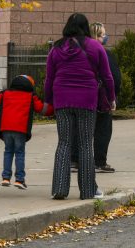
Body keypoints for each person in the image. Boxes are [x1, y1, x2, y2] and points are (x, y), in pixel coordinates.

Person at [46, 13, 115, 200]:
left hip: (62, 100)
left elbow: (49, 77)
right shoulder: (94, 46)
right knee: (85, 145)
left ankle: (59, 189)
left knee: (64, 143)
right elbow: (107, 76)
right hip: (86, 100)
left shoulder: (57, 48)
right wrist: (111, 98)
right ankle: (88, 190)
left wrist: (48, 99)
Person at [0, 75, 53, 189]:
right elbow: (42, 109)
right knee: (19, 153)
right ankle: (19, 180)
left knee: (8, 152)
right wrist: (54, 108)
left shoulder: (5, 93)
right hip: (21, 130)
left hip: (5, 129)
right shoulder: (31, 96)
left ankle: (6, 178)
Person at [90, 22, 122, 172]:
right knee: (103, 130)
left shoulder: (80, 51)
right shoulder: (104, 53)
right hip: (101, 98)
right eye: (103, 34)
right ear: (96, 36)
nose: (105, 37)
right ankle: (99, 162)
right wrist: (113, 97)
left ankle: (76, 160)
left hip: (83, 97)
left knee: (83, 130)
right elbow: (112, 77)